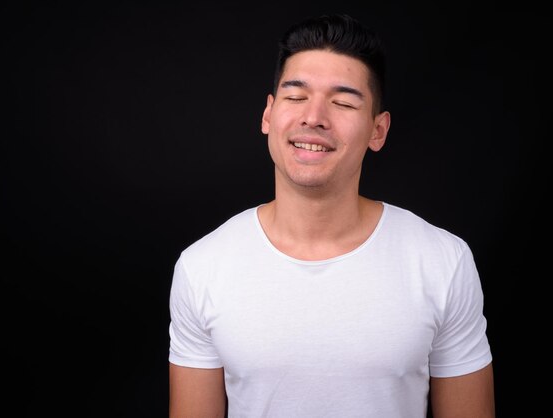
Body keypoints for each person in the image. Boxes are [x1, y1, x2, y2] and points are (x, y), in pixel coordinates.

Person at [168, 13, 494, 418]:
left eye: (342, 102)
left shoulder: (442, 260)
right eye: (296, 96)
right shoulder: (202, 267)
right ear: (268, 115)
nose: (314, 117)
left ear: (378, 130)